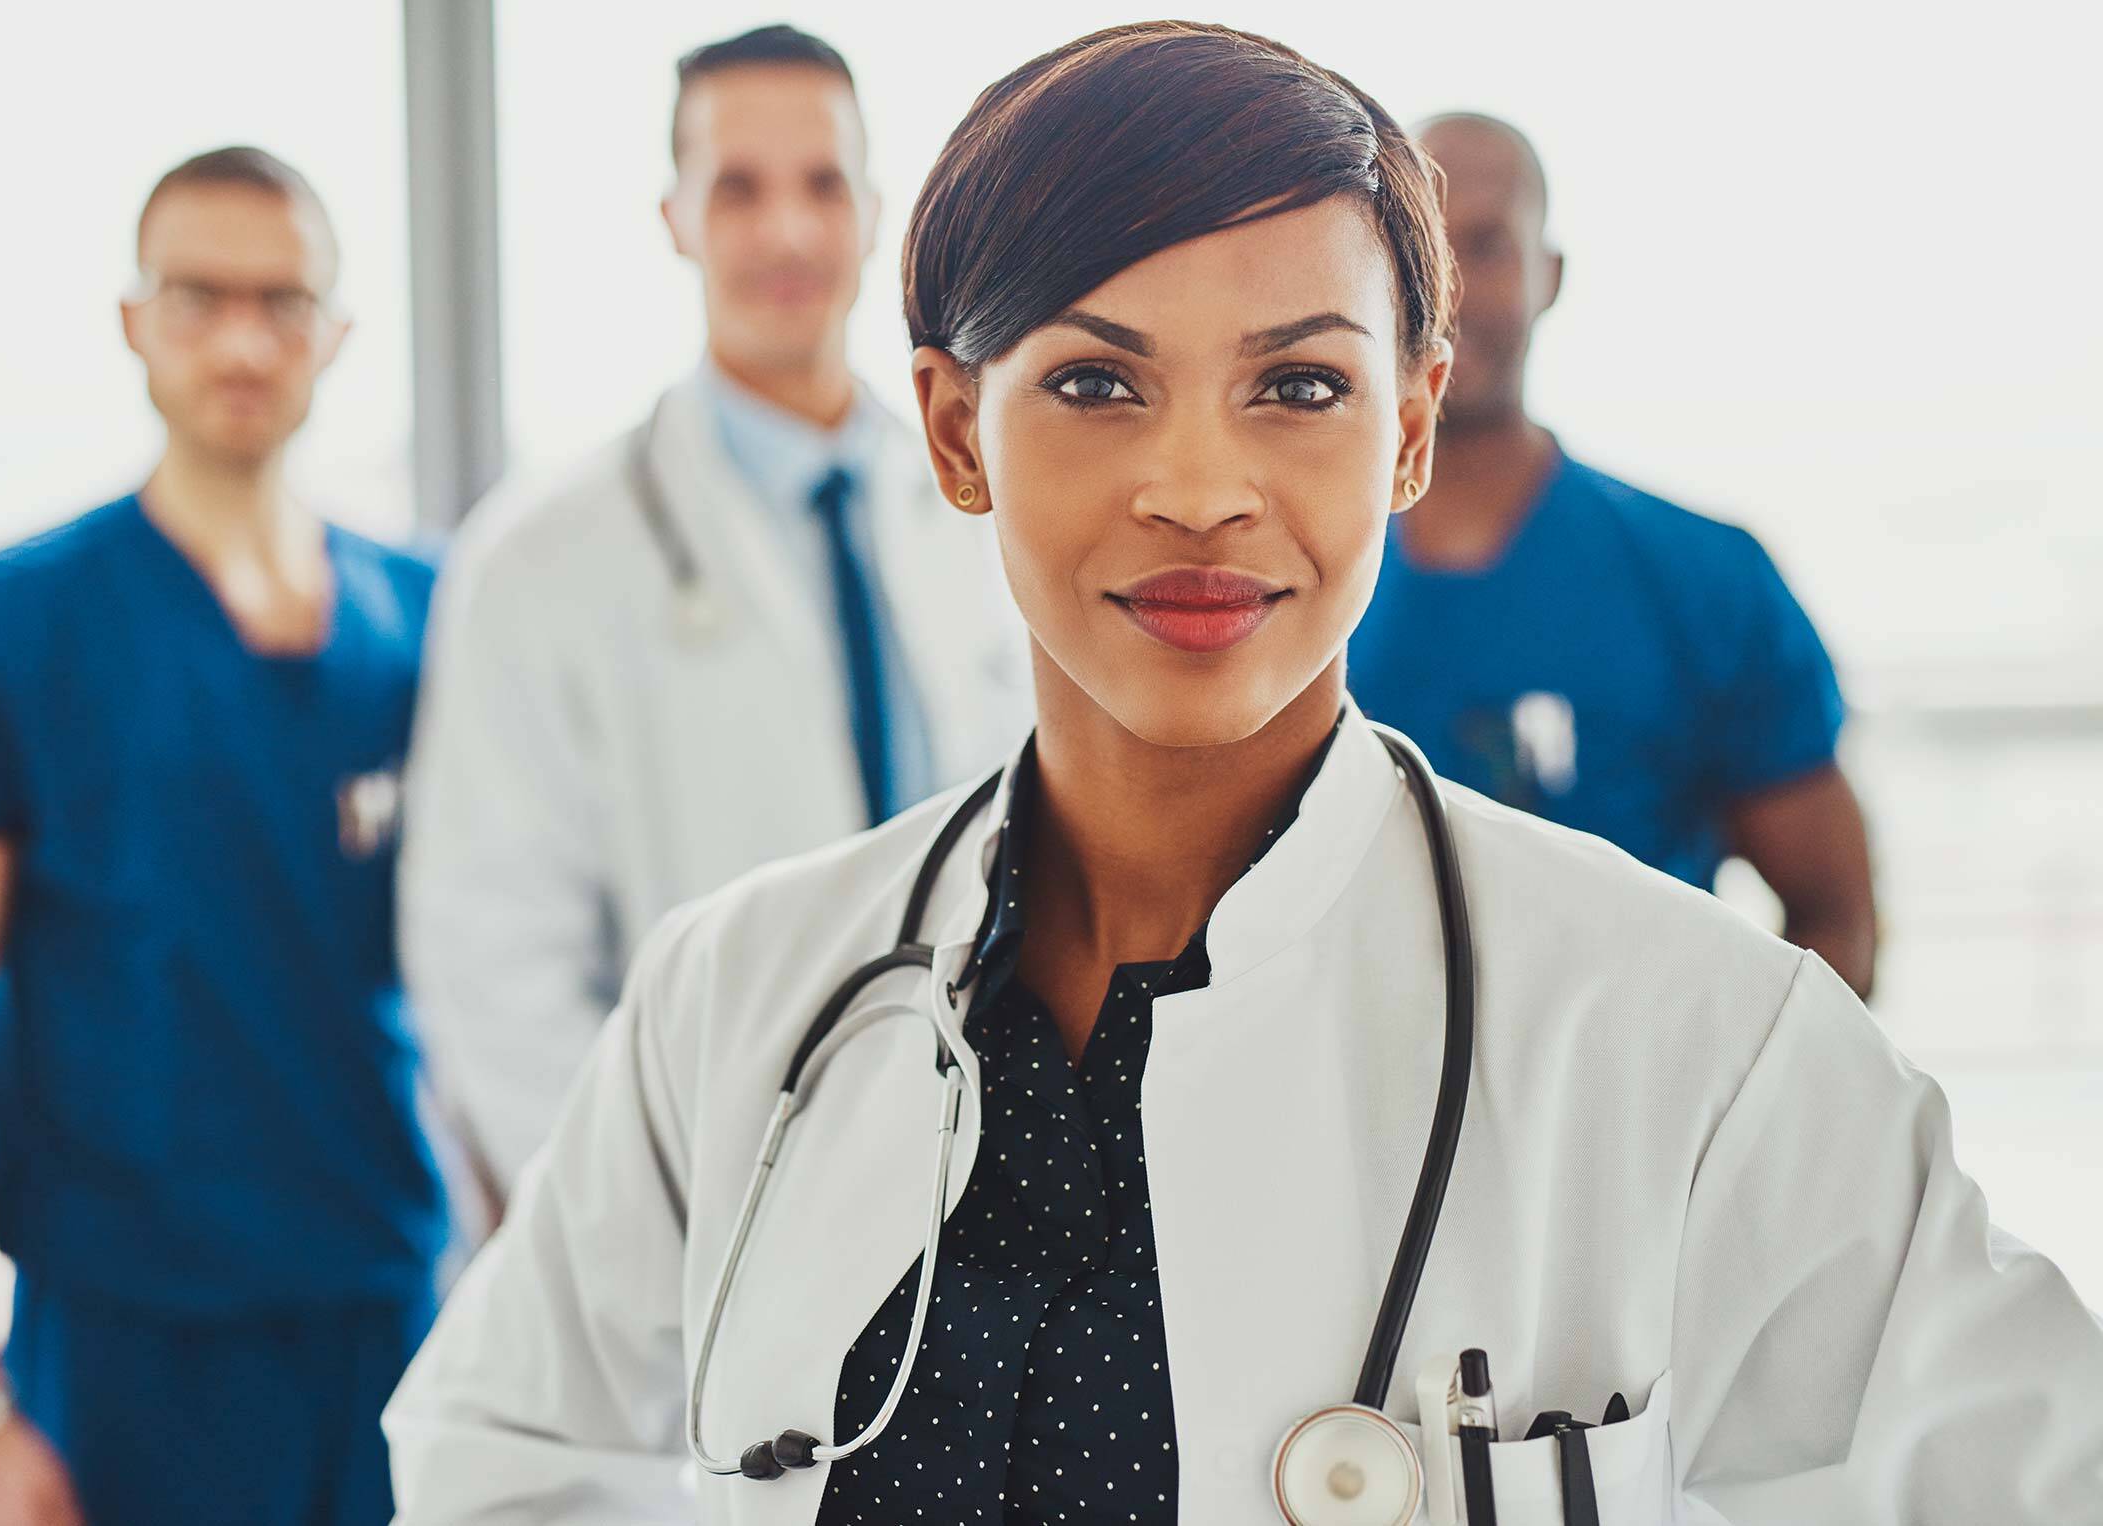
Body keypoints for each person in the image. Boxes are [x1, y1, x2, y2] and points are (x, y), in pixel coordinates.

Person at [383, 24, 2103, 1525]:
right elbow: (501, 1460)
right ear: (955, 429)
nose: (1198, 484)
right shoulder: (730, 1007)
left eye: (1298, 383)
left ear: (1412, 424)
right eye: (1092, 381)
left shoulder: (1700, 1044)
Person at [0, 147, 446, 1526]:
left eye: (283, 301)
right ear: (135, 321)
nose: (243, 337)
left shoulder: (426, 615)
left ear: (335, 333)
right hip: (128, 1350)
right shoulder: (2, 625)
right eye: (198, 295)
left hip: (396, 1314)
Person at [401, 23, 1027, 1198]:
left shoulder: (983, 512)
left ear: (872, 211)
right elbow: (491, 966)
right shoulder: (542, 562)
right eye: (737, 188)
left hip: (990, 1182)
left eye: (821, 184)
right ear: (675, 219)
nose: (786, 229)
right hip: (708, 1209)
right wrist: (658, 1226)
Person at [1347, 113, 1878, 995]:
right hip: (1351, 1123)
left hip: (1640, 1119)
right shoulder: (1281, 582)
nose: (1448, 292)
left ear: (1548, 274)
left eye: (1485, 245)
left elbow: (1835, 915)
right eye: (1416, 252)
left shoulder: (1706, 579)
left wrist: (1742, 1124)